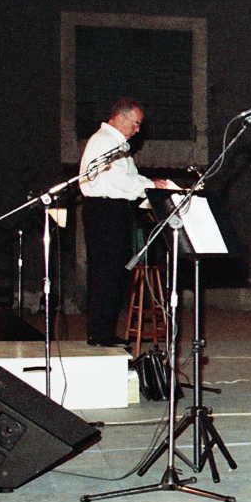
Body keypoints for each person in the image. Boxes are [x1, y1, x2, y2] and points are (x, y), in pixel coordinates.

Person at [78, 97, 176, 347]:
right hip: (105, 209)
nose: (138, 129)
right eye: (135, 123)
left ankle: (104, 330)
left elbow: (130, 176)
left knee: (114, 272)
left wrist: (151, 184)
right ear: (120, 117)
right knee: (106, 271)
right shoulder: (105, 142)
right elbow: (118, 181)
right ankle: (100, 333)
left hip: (114, 209)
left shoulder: (117, 143)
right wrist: (149, 186)